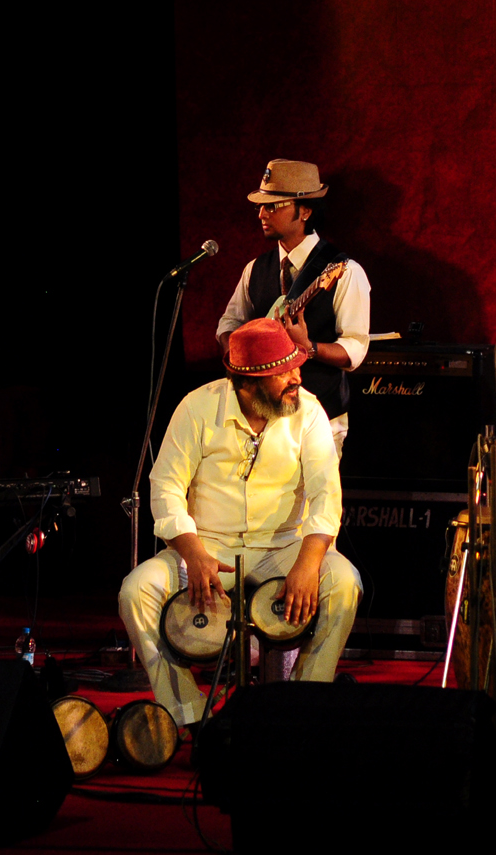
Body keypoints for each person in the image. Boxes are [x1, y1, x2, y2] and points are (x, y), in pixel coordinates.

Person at [120, 318, 362, 727]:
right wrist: (193, 553)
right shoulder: (197, 407)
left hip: (285, 547)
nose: (297, 378)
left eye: (295, 367)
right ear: (247, 383)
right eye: (283, 372)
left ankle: (304, 707)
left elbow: (327, 494)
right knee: (136, 591)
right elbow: (164, 487)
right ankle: (190, 716)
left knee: (344, 583)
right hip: (208, 547)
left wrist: (308, 562)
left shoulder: (309, 411)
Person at [217, 159, 371, 453]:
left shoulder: (346, 272)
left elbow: (354, 350)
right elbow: (229, 324)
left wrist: (308, 346)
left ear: (305, 211)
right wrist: (240, 361)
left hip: (321, 418)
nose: (262, 214)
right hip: (260, 415)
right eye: (260, 206)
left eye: (273, 206)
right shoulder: (254, 269)